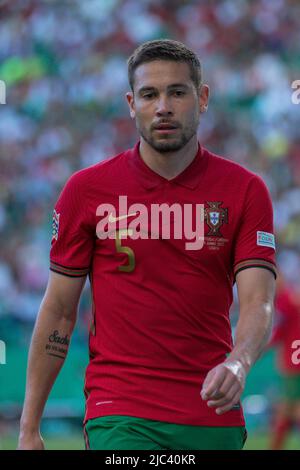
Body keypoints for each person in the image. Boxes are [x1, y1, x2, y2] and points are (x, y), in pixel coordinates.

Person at [18, 39, 276, 450]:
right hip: (119, 412)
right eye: (149, 94)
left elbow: (259, 302)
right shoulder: (86, 190)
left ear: (202, 98)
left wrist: (239, 362)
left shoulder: (245, 190)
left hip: (212, 413)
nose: (163, 107)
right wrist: (29, 427)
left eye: (177, 92)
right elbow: (59, 311)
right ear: (130, 103)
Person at [268, 273, 300, 450]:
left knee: (289, 409)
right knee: (287, 410)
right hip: (294, 361)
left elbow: (277, 331)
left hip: (293, 364)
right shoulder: (291, 298)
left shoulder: (285, 299)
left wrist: (259, 347)